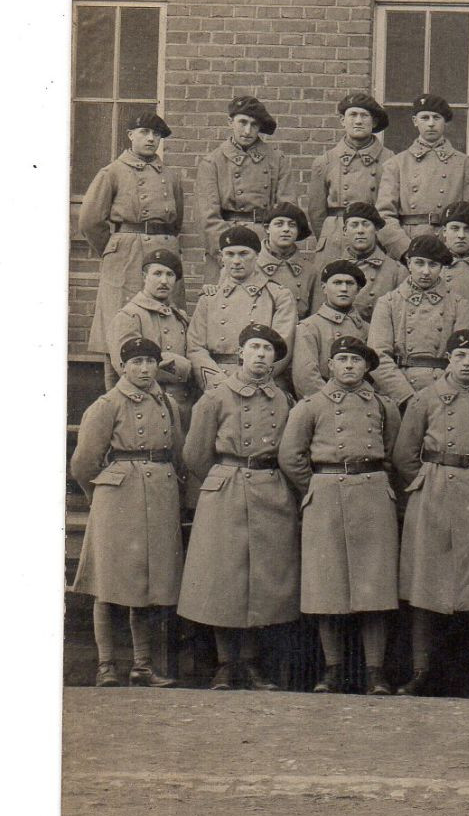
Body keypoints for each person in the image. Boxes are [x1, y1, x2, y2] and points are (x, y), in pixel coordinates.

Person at [393, 330, 469, 699]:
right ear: (448, 359)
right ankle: (420, 672)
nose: (467, 364)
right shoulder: (425, 398)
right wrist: (427, 483)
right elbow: (404, 454)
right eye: (460, 356)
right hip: (433, 493)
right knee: (425, 587)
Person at [177, 323, 299, 691]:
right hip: (226, 488)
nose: (262, 355)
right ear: (240, 352)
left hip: (270, 489)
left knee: (262, 581)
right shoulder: (216, 397)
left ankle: (250, 664)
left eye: (269, 351)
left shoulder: (284, 400)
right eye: (256, 347)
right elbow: (195, 454)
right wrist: (226, 476)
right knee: (225, 579)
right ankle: (226, 665)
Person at [277, 336, 401, 695]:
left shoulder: (383, 406)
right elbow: (291, 456)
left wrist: (378, 483)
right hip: (326, 494)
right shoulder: (310, 406)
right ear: (330, 365)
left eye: (356, 361)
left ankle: (375, 671)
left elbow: (394, 453)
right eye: (342, 359)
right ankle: (332, 670)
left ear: (367, 368)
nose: (349, 366)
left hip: (373, 495)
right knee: (326, 588)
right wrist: (315, 487)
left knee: (375, 588)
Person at [70, 337, 185, 688]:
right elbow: (83, 463)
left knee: (148, 583)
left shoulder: (167, 402)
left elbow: (178, 453)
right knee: (107, 582)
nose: (144, 369)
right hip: (119, 499)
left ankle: (142, 666)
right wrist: (101, 494)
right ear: (123, 366)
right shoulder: (107, 405)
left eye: (150, 362)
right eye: (136, 362)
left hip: (160, 496)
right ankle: (106, 665)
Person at [79, 110, 187, 369]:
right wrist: (115, 247)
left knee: (164, 320)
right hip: (127, 255)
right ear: (130, 136)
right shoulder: (113, 172)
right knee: (121, 320)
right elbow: (89, 220)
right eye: (145, 132)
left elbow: (177, 220)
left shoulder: (170, 176)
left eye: (157, 134)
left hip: (163, 249)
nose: (151, 139)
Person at [186, 226, 297, 393]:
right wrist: (218, 384)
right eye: (230, 254)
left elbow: (282, 349)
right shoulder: (209, 298)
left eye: (244, 254)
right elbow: (195, 347)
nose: (236, 261)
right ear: (222, 258)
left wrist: (252, 381)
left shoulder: (278, 296)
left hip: (261, 384)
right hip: (217, 384)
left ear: (257, 256)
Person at [195, 95, 297, 275]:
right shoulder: (212, 162)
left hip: (265, 244)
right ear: (230, 122)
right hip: (225, 244)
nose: (248, 130)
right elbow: (207, 216)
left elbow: (287, 209)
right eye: (242, 122)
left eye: (254, 125)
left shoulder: (277, 160)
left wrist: (270, 250)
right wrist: (227, 254)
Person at [368, 235, 469, 405]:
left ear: (441, 268)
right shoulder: (388, 303)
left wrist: (440, 394)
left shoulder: (459, 305)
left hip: (444, 394)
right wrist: (407, 397)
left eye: (433, 265)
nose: (426, 271)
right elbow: (378, 356)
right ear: (409, 263)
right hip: (397, 394)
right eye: (419, 263)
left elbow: (461, 357)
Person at [377, 94, 469, 259]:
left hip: (450, 246)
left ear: (445, 122)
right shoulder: (396, 164)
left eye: (436, 118)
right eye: (425, 118)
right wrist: (405, 250)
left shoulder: (466, 165)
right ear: (415, 121)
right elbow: (384, 215)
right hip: (410, 244)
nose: (431, 123)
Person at [306, 93, 393, 265]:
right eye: (353, 115)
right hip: (335, 239)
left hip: (374, 238)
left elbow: (393, 208)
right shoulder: (325, 161)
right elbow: (316, 212)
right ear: (342, 120)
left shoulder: (390, 160)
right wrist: (331, 235)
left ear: (374, 122)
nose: (358, 121)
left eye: (364, 116)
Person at [107, 250, 193, 421]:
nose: (164, 280)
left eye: (170, 274)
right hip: (144, 407)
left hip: (182, 407)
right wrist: (187, 368)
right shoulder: (130, 316)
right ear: (144, 276)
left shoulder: (180, 317)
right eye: (157, 273)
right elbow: (130, 368)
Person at [291, 259, 371, 399]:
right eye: (337, 283)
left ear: (358, 290)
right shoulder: (309, 327)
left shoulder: (367, 329)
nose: (344, 289)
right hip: (325, 402)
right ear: (324, 288)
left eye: (349, 283)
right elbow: (306, 377)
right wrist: (333, 402)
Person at [326, 201, 403, 323]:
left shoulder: (397, 271)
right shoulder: (331, 270)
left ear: (376, 229)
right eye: (354, 225)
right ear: (345, 231)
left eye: (366, 225)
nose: (360, 231)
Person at [256, 202, 316, 318]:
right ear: (267, 228)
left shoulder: (310, 271)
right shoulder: (251, 265)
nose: (286, 229)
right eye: (279, 224)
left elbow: (315, 318)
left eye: (292, 225)